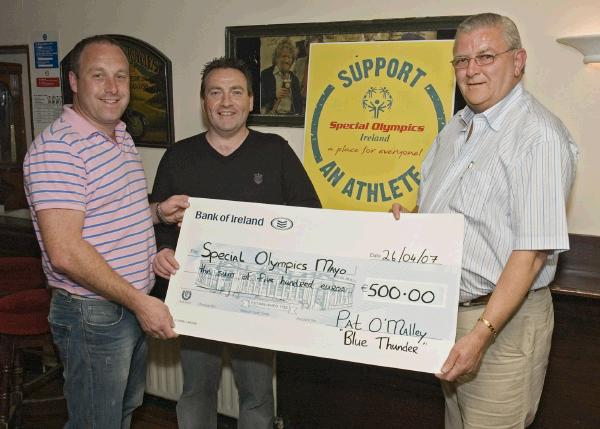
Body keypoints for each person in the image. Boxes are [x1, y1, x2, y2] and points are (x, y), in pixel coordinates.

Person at [392, 13, 578, 428]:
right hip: (447, 315)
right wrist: (412, 223)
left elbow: (532, 253)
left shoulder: (537, 136)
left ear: (518, 61)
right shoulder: (455, 129)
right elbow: (454, 216)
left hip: (500, 327)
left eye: (486, 56)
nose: (471, 69)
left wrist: (481, 334)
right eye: (461, 60)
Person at [23, 35, 189, 429]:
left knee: (121, 412)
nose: (113, 88)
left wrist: (156, 214)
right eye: (99, 76)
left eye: (121, 76)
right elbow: (64, 251)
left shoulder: (119, 136)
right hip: (93, 315)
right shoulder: (59, 149)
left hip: (124, 307)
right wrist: (140, 301)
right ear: (75, 82)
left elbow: (108, 217)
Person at [151, 57, 320, 429]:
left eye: (236, 92)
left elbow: (310, 214)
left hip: (256, 303)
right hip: (197, 298)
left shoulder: (275, 151)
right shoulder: (178, 156)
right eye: (216, 93)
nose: (226, 102)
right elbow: (158, 219)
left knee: (257, 397)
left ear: (250, 102)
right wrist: (160, 251)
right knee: (196, 391)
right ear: (204, 101)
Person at [260, 38, 303, 115]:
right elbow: (259, 100)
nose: (286, 60)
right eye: (284, 56)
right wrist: (274, 94)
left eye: (289, 57)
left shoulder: (294, 79)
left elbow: (298, 105)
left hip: (290, 118)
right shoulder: (265, 75)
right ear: (277, 58)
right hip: (271, 118)